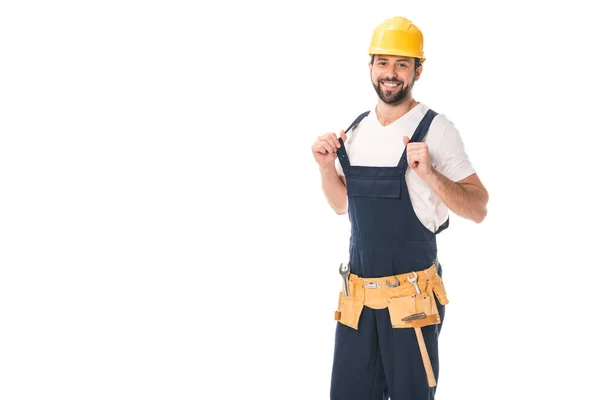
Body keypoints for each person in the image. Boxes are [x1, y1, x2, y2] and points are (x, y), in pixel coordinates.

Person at [311, 16, 489, 400]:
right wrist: (327, 168)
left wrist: (431, 176)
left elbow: (478, 208)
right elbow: (342, 206)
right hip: (357, 305)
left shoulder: (436, 130)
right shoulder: (355, 131)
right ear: (371, 66)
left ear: (417, 71)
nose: (390, 74)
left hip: (411, 304)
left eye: (402, 64)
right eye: (383, 63)